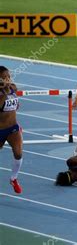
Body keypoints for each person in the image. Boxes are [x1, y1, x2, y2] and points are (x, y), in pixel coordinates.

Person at [0, 66, 23, 194]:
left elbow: (14, 88)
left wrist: (8, 86)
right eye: (4, 77)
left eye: (8, 76)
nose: (8, 79)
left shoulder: (12, 87)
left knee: (18, 153)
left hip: (13, 128)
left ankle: (13, 178)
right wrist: (4, 91)